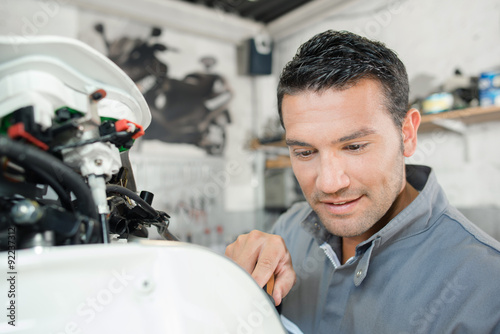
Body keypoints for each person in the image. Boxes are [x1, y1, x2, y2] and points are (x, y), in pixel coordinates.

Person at [225, 30, 500, 333]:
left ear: (406, 135)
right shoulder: (288, 231)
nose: (329, 183)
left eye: (354, 146)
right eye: (304, 152)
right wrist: (238, 290)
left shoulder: (487, 287)